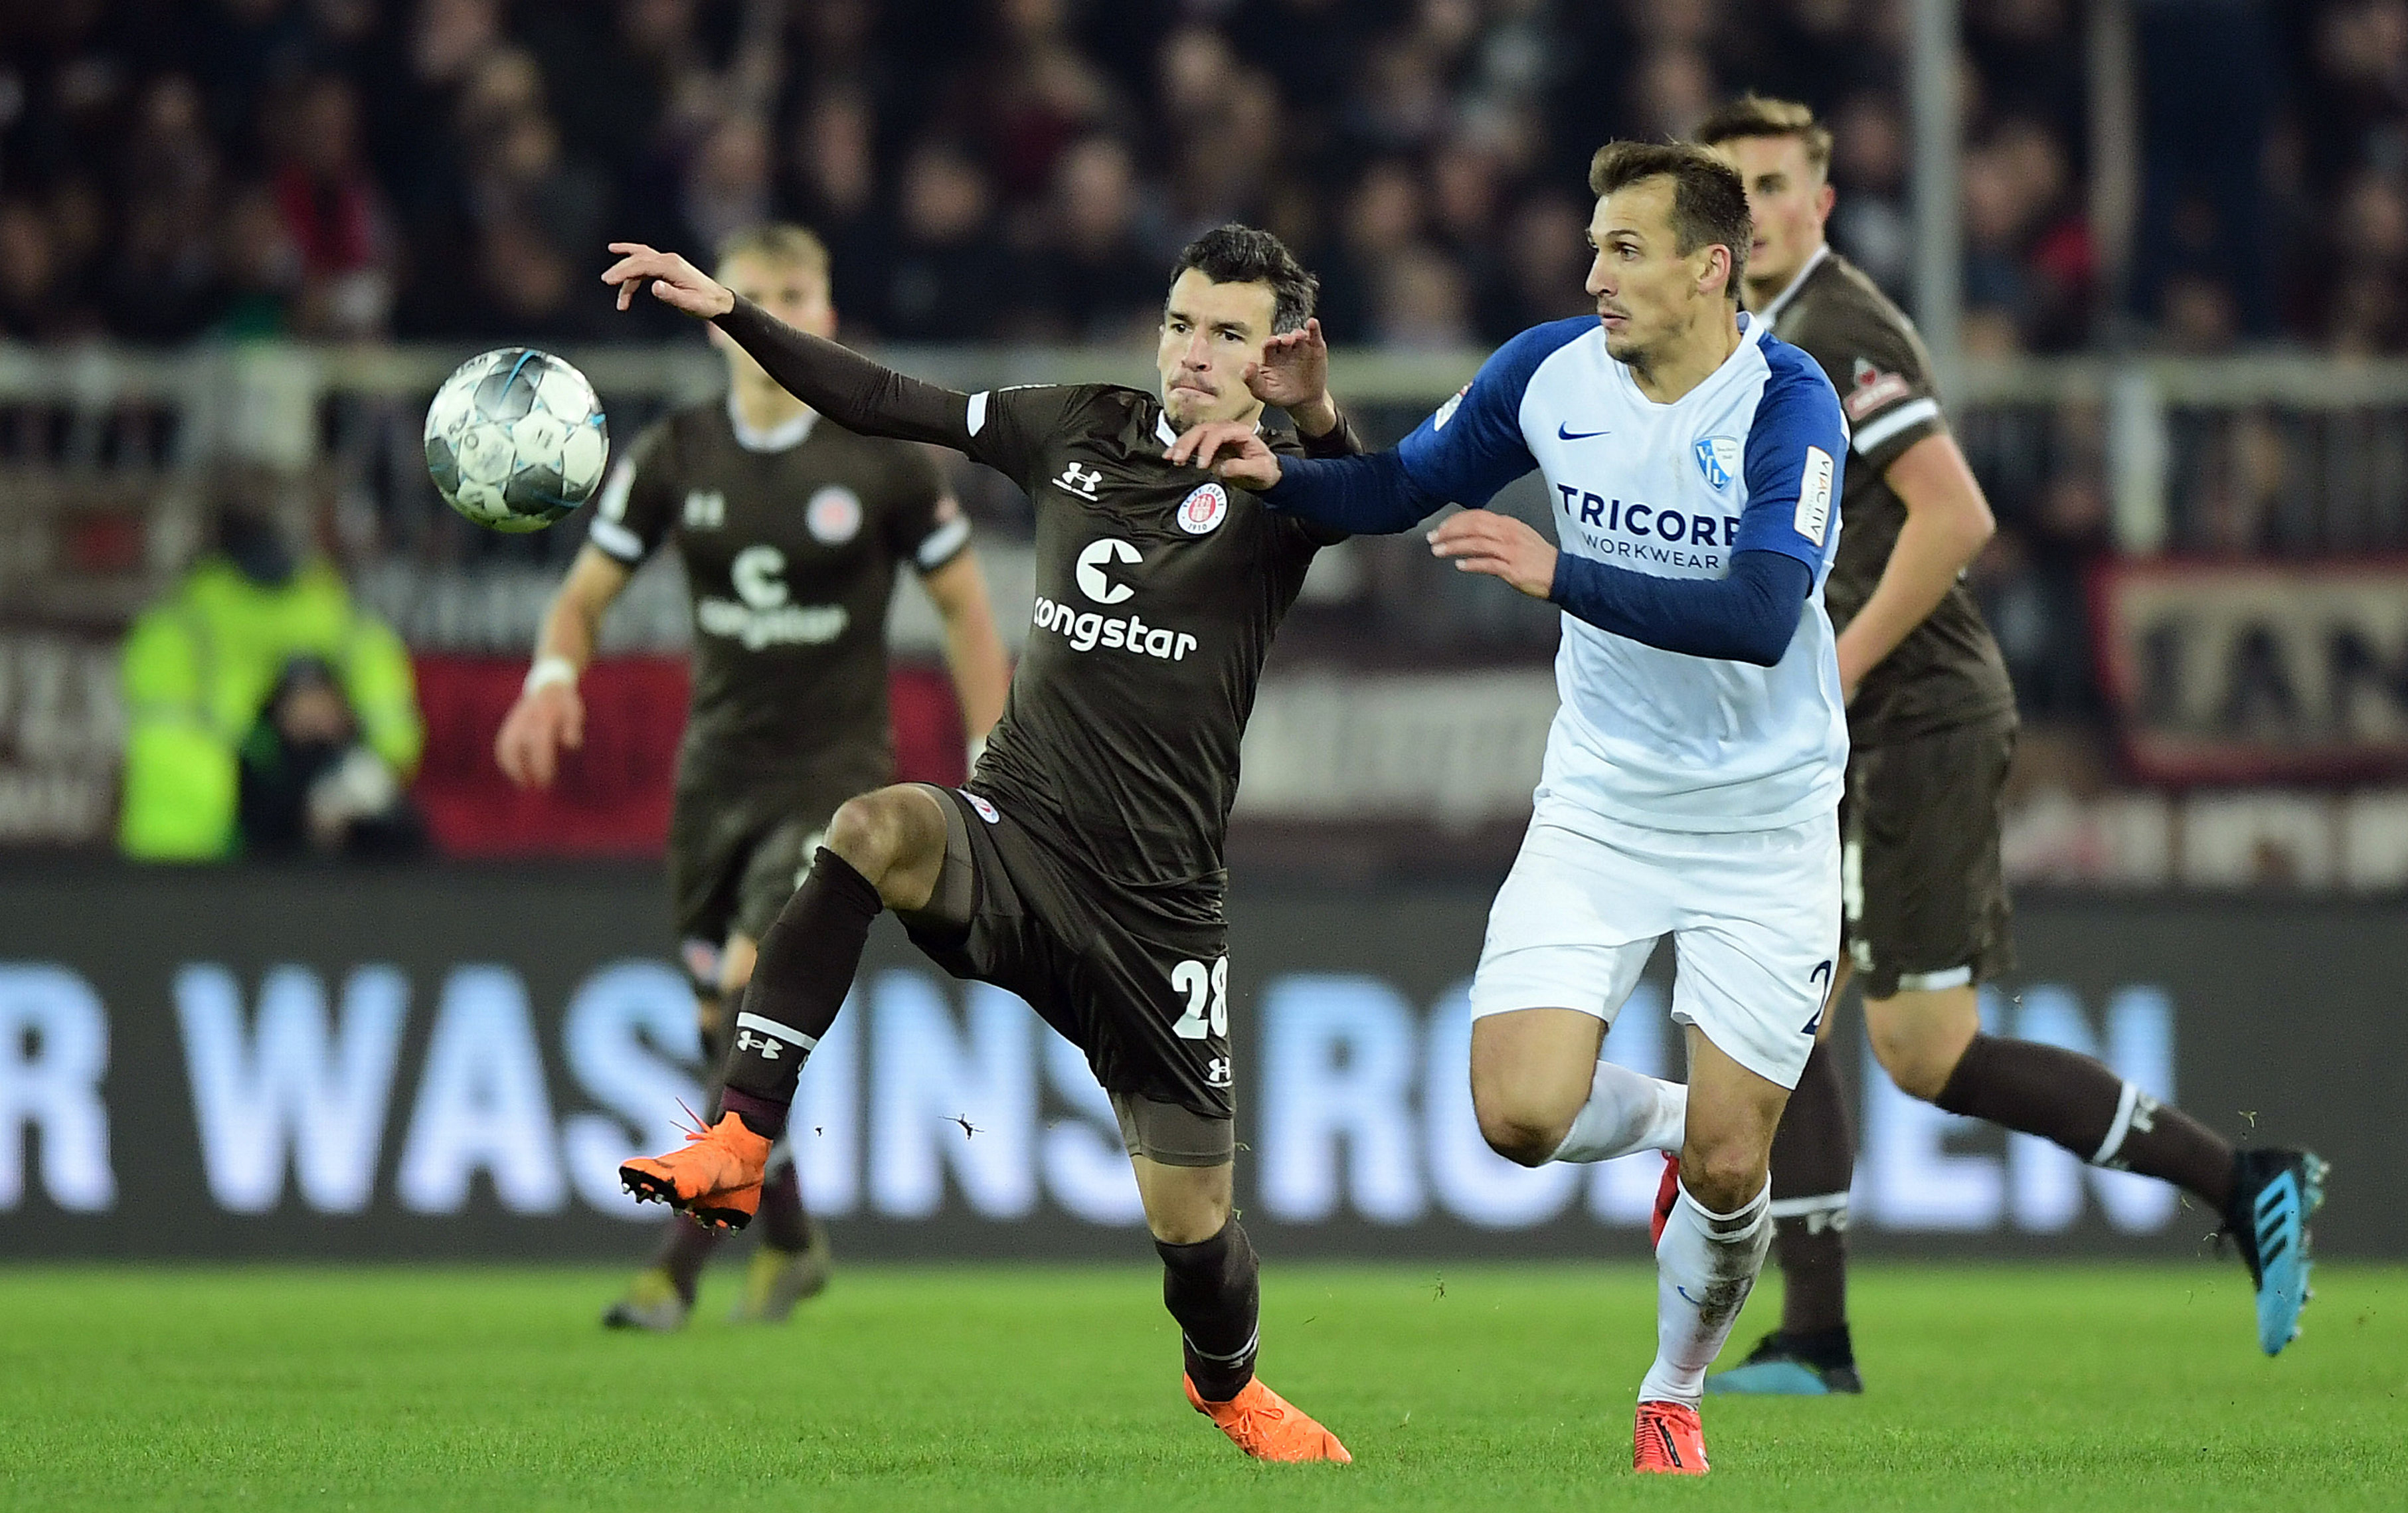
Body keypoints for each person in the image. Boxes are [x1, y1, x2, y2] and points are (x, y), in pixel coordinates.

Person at [601, 224, 1360, 1463]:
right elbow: (885, 398)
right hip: (1017, 831)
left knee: (1196, 1226)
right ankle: (740, 1141)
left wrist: (1318, 418)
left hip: (1160, 910)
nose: (1194, 353)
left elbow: (1371, 501)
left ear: (1276, 352)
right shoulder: (1077, 428)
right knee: (873, 827)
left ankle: (1227, 1385)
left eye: (1229, 333)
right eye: (1181, 323)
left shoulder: (1286, 495)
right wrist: (733, 311)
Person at [1174, 142, 1846, 1476]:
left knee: (1730, 1169)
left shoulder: (1787, 403)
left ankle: (1672, 1383)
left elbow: (1766, 614)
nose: (1592, 274)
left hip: (1765, 823)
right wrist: (1292, 450)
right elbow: (1391, 490)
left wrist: (1561, 573)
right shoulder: (1547, 372)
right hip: (1601, 801)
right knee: (1517, 1117)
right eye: (1593, 245)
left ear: (1712, 268)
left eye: (1626, 251)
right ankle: (1663, 1116)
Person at [1691, 94, 2326, 1391]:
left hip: (1913, 712)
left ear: (1819, 199)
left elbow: (1954, 513)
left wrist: (1837, 665)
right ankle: (1813, 1334)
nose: (1747, 211)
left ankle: (2242, 1177)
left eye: (1769, 184)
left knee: (1922, 1051)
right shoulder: (1750, 342)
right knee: (1777, 1013)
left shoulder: (1838, 328)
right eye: (1726, 188)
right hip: (1839, 732)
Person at [493, 224, 1012, 1333]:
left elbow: (968, 607)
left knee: (742, 991)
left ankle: (673, 1263)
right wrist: (549, 677)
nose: (774, 308)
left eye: (795, 292)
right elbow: (582, 594)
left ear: (823, 313)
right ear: (718, 309)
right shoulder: (677, 454)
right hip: (713, 775)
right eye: (757, 290)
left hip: (833, 781)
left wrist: (992, 751)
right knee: (718, 1023)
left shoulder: (881, 459)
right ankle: (788, 1236)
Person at [120, 495, 422, 860]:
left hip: (276, 834)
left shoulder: (335, 619)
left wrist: (352, 778)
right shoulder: (183, 628)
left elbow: (391, 736)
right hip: (195, 839)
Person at [236, 655, 427, 859]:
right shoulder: (261, 762)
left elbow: (412, 844)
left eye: (322, 698)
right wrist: (309, 812)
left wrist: (362, 819)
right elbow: (259, 834)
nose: (311, 711)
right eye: (298, 701)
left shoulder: (361, 764)